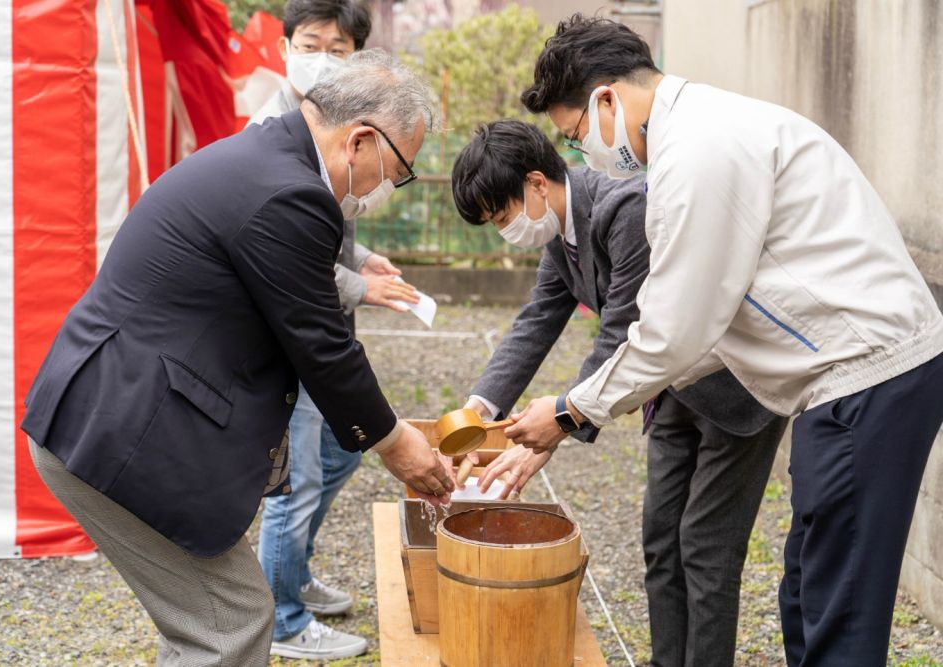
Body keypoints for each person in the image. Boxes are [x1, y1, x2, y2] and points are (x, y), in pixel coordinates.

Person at [490, 14, 943, 667]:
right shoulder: (700, 132)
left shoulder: (700, 148)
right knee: (807, 589)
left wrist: (570, 410)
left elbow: (675, 328)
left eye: (576, 134)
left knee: (836, 606)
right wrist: (583, 409)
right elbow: (696, 334)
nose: (583, 153)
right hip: (848, 379)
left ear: (608, 99)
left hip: (867, 375)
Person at [20, 51, 454, 667]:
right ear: (360, 140)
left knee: (203, 626)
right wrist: (393, 440)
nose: (390, 186)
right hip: (118, 431)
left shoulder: (264, 160)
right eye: (398, 170)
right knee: (232, 623)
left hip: (110, 413)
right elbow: (322, 345)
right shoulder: (290, 193)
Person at [451, 119, 788, 667]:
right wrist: (477, 408)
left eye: (503, 216)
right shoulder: (561, 232)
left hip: (732, 388)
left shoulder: (625, 208)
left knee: (706, 550)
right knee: (661, 541)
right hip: (668, 388)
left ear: (536, 183)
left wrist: (558, 423)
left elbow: (620, 333)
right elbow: (538, 319)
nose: (503, 230)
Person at [246, 1, 416, 659]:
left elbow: (328, 225)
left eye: (338, 49)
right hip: (292, 334)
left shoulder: (334, 120)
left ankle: (292, 574)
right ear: (286, 45)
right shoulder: (271, 124)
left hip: (323, 321)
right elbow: (280, 259)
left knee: (341, 452)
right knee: (296, 480)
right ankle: (283, 620)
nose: (322, 58)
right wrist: (360, 285)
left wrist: (361, 257)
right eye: (310, 43)